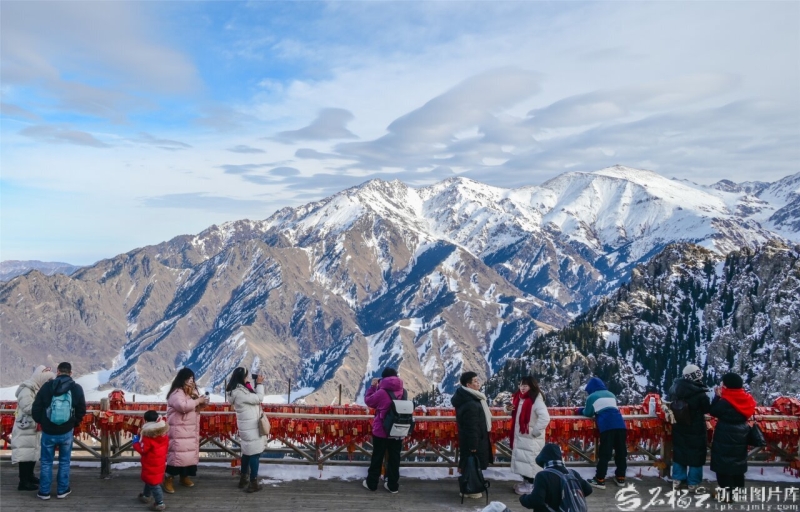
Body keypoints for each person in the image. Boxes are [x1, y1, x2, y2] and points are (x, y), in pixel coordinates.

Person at [31, 361, 87, 501]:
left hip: (48, 431)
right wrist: (73, 422)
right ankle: (62, 490)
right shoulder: (76, 388)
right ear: (70, 373)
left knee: (46, 462)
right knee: (64, 462)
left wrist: (43, 422)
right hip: (66, 431)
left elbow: (36, 408)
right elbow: (81, 410)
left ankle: (44, 492)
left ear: (57, 372)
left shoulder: (47, 387)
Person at [710, 372, 755, 503]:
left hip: (725, 433)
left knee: (723, 464)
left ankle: (726, 494)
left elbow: (713, 411)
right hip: (742, 433)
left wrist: (717, 397)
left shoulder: (725, 401)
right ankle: (738, 491)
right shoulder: (747, 398)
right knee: (737, 462)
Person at [575, 376, 627, 489]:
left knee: (605, 453)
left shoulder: (592, 397)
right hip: (621, 425)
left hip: (607, 426)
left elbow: (588, 413)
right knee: (621, 452)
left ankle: (600, 479)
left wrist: (579, 410)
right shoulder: (611, 394)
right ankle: (621, 477)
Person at [668, 364, 711, 493]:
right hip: (696, 428)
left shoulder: (674, 389)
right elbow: (707, 409)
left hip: (679, 426)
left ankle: (677, 479)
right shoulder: (700, 393)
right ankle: (693, 482)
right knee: (696, 455)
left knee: (679, 452)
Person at [11, 365, 55, 491]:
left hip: (32, 426)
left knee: (32, 453)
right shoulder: (27, 390)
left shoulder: (35, 388)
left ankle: (30, 476)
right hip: (25, 427)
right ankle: (23, 481)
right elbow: (27, 407)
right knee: (25, 454)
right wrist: (43, 407)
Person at [164, 367, 208, 493]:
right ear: (182, 379)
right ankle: (168, 479)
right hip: (178, 430)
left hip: (189, 429)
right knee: (176, 455)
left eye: (192, 378)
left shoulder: (192, 392)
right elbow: (183, 406)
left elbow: (195, 405)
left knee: (187, 455)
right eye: (189, 378)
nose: (191, 381)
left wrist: (202, 402)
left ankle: (184, 476)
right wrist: (198, 401)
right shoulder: (176, 393)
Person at [362, 367, 406, 494]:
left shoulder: (382, 392)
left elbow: (369, 401)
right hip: (398, 430)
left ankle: (372, 484)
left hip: (381, 430)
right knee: (395, 458)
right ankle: (392, 485)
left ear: (384, 378)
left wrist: (373, 387)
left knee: (377, 456)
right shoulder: (403, 391)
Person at [451, 371, 493, 500]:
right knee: (473, 465)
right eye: (475, 381)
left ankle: (468, 488)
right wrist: (473, 445)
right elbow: (472, 427)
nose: (478, 383)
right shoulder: (471, 403)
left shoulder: (467, 398)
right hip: (474, 440)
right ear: (468, 385)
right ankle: (471, 489)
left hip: (469, 439)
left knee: (469, 464)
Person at [226, 367, 267, 493]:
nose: (248, 378)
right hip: (251, 428)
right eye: (246, 376)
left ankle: (243, 478)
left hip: (246, 427)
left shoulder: (237, 391)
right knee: (254, 454)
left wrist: (249, 385)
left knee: (247, 453)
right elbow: (258, 398)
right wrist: (259, 384)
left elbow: (251, 396)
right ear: (242, 378)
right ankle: (253, 482)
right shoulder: (240, 393)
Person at [519, 443, 592, 511]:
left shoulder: (543, 476)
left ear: (543, 459)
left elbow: (536, 501)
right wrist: (571, 497)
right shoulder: (573, 473)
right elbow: (588, 490)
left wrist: (523, 498)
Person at [509, 376, 550, 495]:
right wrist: (508, 408)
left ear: (531, 386)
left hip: (531, 438)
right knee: (524, 462)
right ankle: (526, 482)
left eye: (525, 385)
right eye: (521, 385)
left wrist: (535, 432)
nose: (522, 388)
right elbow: (513, 411)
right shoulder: (519, 398)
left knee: (531, 462)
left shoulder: (536, 400)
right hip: (521, 436)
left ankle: (531, 485)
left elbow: (545, 418)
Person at [133, 410, 170, 511]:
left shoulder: (148, 435)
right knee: (149, 480)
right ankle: (146, 496)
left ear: (146, 420)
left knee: (154, 484)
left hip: (150, 462)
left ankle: (160, 503)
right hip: (160, 461)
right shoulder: (163, 432)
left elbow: (143, 449)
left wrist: (136, 442)